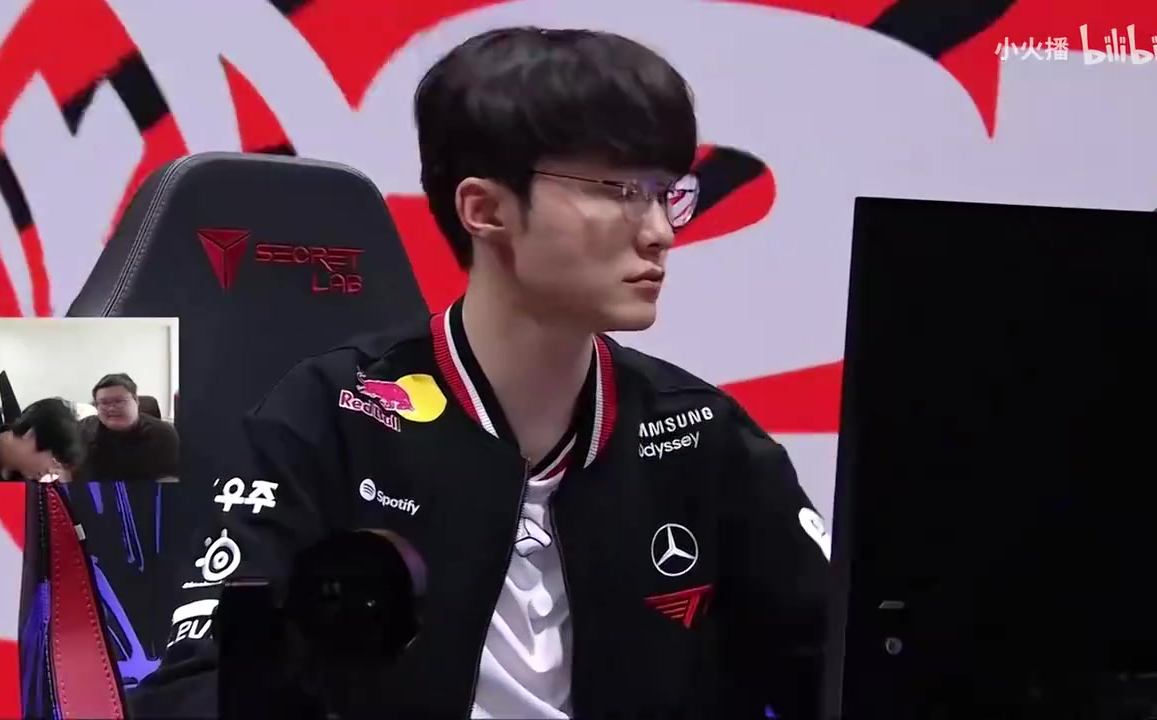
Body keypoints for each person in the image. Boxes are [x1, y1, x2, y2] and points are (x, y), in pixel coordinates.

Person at [136, 27, 828, 718]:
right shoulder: (329, 418)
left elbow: (843, 666)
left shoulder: (701, 434)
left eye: (665, 193)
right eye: (620, 191)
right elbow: (199, 686)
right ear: (485, 209)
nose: (659, 232)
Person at [76, 373, 179, 483]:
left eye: (119, 401)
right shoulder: (83, 429)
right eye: (104, 403)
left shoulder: (163, 434)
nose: (111, 408)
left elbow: (170, 479)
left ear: (136, 401)